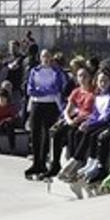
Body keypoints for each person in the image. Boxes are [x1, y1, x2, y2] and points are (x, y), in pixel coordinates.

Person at [23, 49, 67, 180]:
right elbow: (30, 89)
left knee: (47, 134)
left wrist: (42, 90)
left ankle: (45, 161)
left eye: (48, 56)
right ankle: (37, 163)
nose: (46, 59)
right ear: (40, 58)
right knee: (35, 133)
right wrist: (45, 91)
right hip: (37, 104)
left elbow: (57, 88)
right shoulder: (34, 71)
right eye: (44, 56)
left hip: (51, 105)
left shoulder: (56, 72)